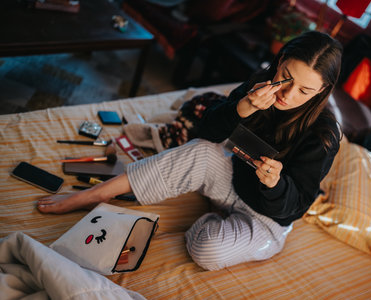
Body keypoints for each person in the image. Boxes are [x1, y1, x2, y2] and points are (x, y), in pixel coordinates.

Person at [37, 31, 343, 271]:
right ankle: (92, 195)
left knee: (206, 251)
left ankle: (212, 216)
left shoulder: (324, 135)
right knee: (200, 150)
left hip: (266, 218)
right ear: (280, 61)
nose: (288, 95)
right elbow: (206, 132)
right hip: (232, 180)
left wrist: (275, 184)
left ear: (322, 91)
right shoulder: (259, 84)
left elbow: (296, 207)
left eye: (304, 91)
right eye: (286, 78)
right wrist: (243, 106)